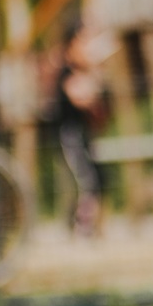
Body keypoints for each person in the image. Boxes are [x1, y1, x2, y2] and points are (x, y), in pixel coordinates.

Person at [46, 24, 112, 238]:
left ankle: (87, 225)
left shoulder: (77, 70)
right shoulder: (67, 71)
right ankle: (82, 226)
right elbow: (83, 99)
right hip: (70, 135)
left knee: (96, 179)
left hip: (82, 134)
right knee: (88, 180)